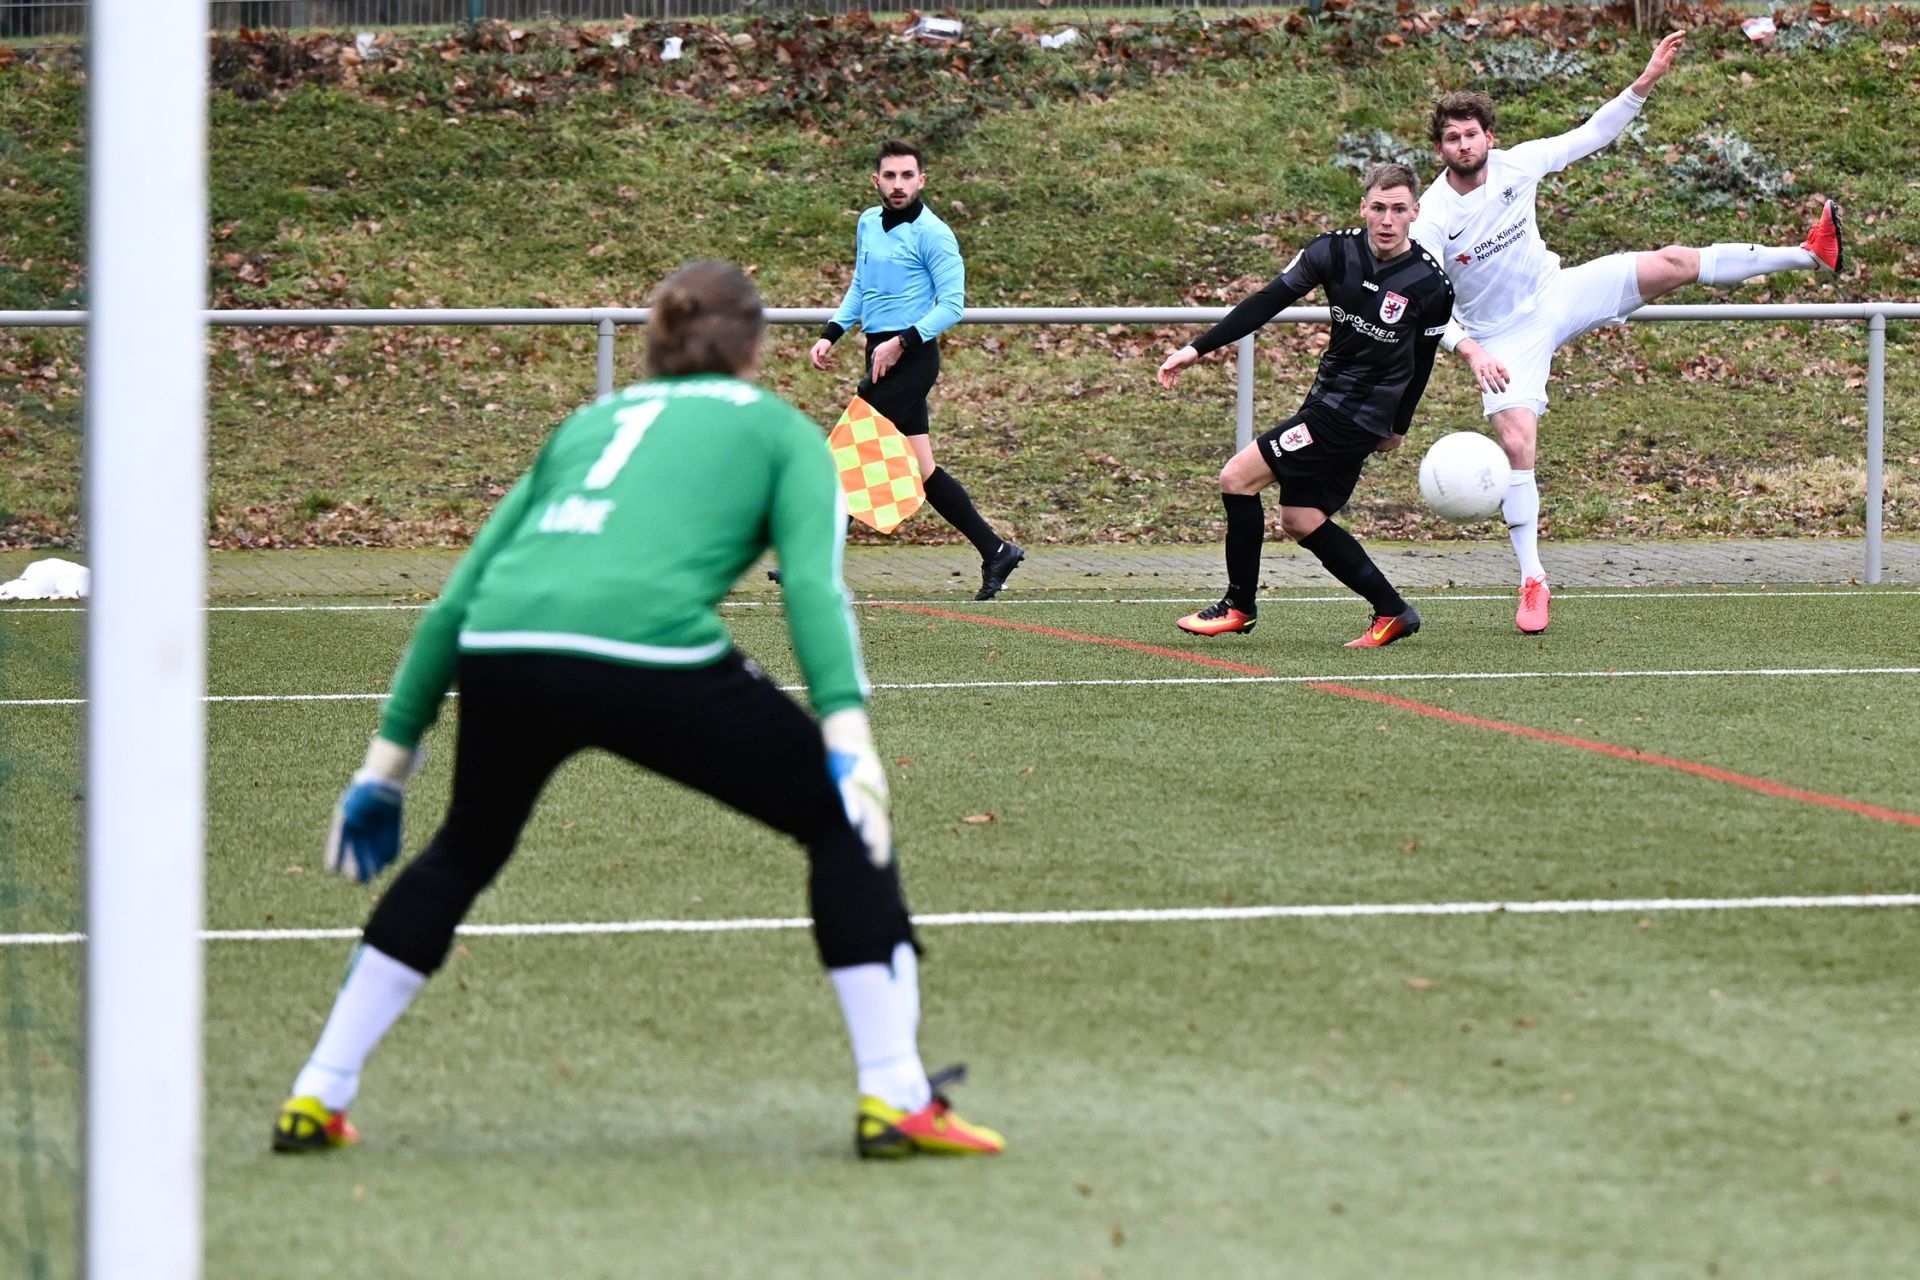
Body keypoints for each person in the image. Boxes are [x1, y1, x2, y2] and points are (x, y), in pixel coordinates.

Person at [270, 261, 1003, 1162]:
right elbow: (813, 590)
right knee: (840, 827)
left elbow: (456, 598)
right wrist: (848, 737)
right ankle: (894, 1095)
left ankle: (318, 1090)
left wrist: (387, 764)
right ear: (756, 344)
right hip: (643, 651)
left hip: (507, 648)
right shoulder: (781, 433)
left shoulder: (587, 424)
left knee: (464, 846)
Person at [1410, 31, 1844, 634]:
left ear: (1490, 136)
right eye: (1452, 137)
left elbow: (1591, 134)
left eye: (1472, 133)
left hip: (1560, 291)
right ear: (1441, 148)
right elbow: (1425, 306)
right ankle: (1533, 579)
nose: (1464, 144)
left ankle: (1809, 252)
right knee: (1516, 442)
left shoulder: (1519, 164)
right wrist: (1471, 347)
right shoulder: (1430, 216)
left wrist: (1645, 81)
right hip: (1501, 336)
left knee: (1673, 261)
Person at [1158, 163, 1454, 648]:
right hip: (1325, 401)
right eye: (1378, 208)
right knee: (1301, 519)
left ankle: (1239, 606)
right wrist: (1196, 349)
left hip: (1354, 418)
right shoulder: (1331, 250)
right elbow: (1268, 300)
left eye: (1398, 209)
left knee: (1237, 477)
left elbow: (1421, 363)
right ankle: (1393, 611)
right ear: (1363, 207)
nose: (1387, 219)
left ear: (1414, 213)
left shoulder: (1430, 285)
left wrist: (1398, 425)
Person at [811, 139, 1025, 601]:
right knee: (922, 471)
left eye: (907, 176)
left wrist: (902, 341)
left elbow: (952, 306)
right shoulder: (869, 222)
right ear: (876, 181)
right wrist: (833, 331)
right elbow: (861, 285)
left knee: (848, 453)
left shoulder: (934, 233)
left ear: (921, 180)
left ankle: (814, 566)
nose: (898, 184)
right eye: (889, 176)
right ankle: (997, 549)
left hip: (912, 358)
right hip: (880, 352)